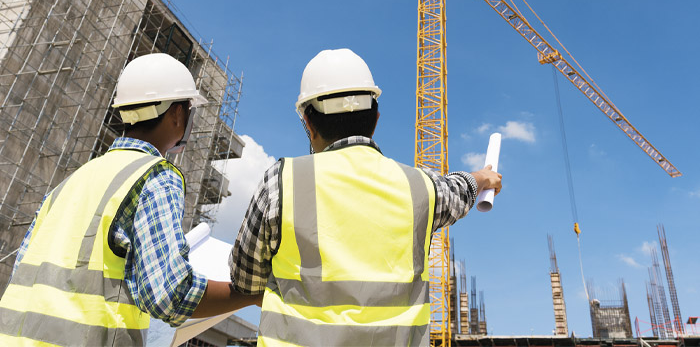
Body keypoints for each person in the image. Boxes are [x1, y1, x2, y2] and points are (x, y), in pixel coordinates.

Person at [230, 48, 502, 346]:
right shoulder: (421, 188)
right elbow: (458, 191)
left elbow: (245, 281)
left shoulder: (281, 181)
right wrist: (482, 177)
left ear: (308, 123)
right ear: (375, 119)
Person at [0, 53, 262, 346]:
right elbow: (170, 293)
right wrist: (249, 295)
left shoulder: (72, 181)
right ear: (177, 114)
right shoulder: (156, 176)